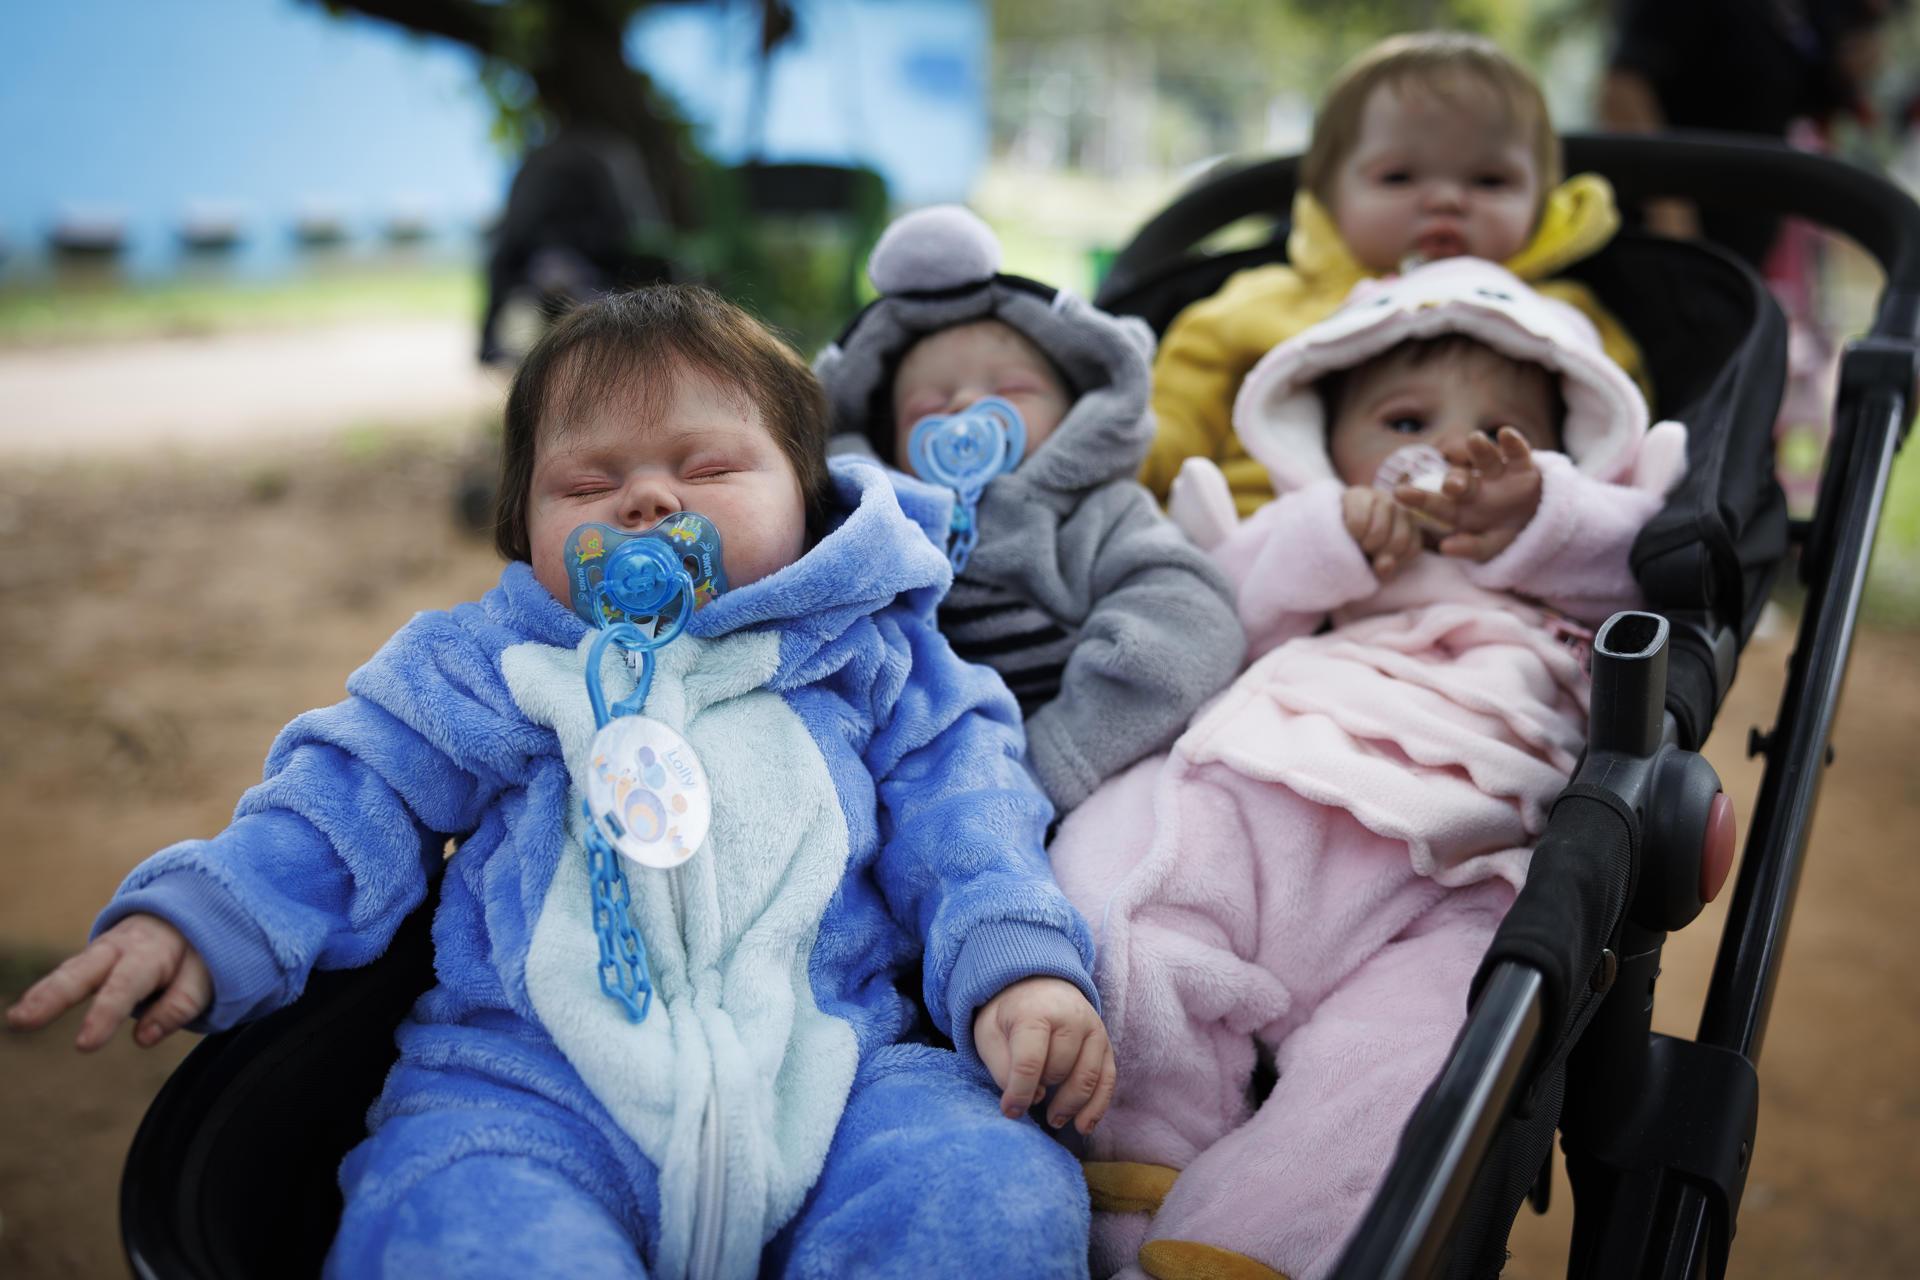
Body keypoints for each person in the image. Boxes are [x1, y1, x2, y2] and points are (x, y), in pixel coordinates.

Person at [6, 285, 1115, 1280]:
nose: (644, 500)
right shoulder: (485, 663)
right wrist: (213, 910)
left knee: (990, 1187)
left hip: (835, 1071)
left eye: (708, 467)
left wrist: (1018, 969)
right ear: (525, 527)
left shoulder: (874, 656)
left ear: (807, 497)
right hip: (525, 1093)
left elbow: (973, 822)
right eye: (587, 481)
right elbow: (351, 792)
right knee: (462, 1231)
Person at [1050, 259, 1691, 1280]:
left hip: (1451, 866)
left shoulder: (1569, 581)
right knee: (1109, 887)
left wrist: (1542, 513)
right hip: (1257, 786)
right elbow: (1212, 613)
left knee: (1418, 1062)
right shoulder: (1327, 550)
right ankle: (1130, 1178)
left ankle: (1244, 1242)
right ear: (1329, 445)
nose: (1447, 450)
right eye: (1403, 422)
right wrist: (1324, 534)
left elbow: (1638, 555)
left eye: (1503, 434)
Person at [814, 206, 1247, 816]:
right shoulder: (878, 532)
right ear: (887, 447)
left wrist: (1051, 760)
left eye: (1010, 391)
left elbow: (1188, 623)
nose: (966, 404)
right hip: (918, 786)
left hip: (1083, 769)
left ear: (1077, 413)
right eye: (929, 406)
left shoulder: (1103, 514)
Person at [1144, 31, 1647, 519]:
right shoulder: (1258, 305)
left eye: (1490, 180)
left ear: (1541, 201)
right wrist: (1131, 456)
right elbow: (1176, 418)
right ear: (1328, 196)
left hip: (1485, 562)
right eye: (1399, 177)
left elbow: (1620, 442)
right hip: (1253, 542)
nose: (1446, 199)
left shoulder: (1561, 323)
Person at [1599, 0, 1904, 266]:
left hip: (1749, 239)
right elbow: (1623, 90)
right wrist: (1670, 217)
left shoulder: (1801, 11)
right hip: (1673, 246)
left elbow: (1814, 91)